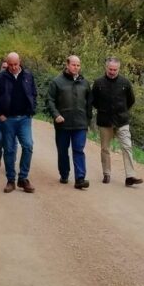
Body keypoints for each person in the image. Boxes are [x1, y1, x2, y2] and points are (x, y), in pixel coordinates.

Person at [92, 57, 143, 186]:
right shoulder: (98, 83)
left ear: (119, 69)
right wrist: (104, 110)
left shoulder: (125, 83)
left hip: (122, 120)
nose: (112, 72)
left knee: (127, 147)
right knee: (105, 148)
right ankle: (107, 173)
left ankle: (130, 176)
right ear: (106, 67)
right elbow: (93, 101)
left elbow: (131, 100)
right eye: (110, 69)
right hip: (104, 121)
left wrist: (123, 111)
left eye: (115, 69)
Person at [0, 52, 37, 193]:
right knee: (9, 150)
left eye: (15, 64)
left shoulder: (28, 75)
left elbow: (33, 93)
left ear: (20, 62)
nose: (13, 67)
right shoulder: (0, 77)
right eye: (10, 65)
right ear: (7, 63)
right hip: (8, 119)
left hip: (24, 118)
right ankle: (11, 180)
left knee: (28, 145)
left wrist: (31, 109)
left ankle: (23, 178)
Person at [46, 56, 92, 189]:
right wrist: (56, 115)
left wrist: (87, 119)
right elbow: (50, 100)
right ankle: (64, 174)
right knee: (62, 150)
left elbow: (89, 102)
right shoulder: (57, 82)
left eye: (78, 65)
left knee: (78, 149)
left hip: (80, 123)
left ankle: (80, 178)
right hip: (62, 124)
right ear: (67, 65)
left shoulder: (85, 83)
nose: (76, 67)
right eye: (73, 65)